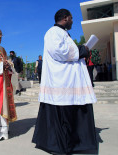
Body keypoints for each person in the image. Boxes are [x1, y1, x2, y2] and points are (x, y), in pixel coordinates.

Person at [32, 9, 97, 154]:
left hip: (67, 80)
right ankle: (60, 145)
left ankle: (75, 143)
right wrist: (81, 50)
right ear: (65, 18)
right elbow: (59, 51)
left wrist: (81, 50)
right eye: (72, 18)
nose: (73, 21)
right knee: (63, 115)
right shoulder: (53, 32)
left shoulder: (63, 33)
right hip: (60, 82)